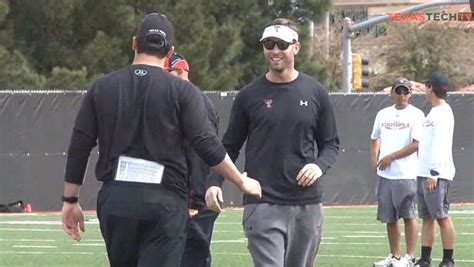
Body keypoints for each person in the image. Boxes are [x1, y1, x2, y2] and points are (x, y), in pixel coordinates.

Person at [60, 13, 261, 267]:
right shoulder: (183, 90)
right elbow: (206, 144)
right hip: (164, 201)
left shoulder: (102, 87)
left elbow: (79, 146)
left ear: (134, 43)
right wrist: (241, 181)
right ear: (170, 51)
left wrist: (70, 200)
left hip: (116, 199)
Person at [205, 18, 339, 267]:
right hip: (262, 202)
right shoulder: (248, 95)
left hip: (306, 205)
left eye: (282, 44)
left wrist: (318, 166)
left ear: (296, 47)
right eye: (269, 44)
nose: (275, 51)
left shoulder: (316, 92)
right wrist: (214, 183)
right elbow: (229, 145)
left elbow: (331, 143)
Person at [164, 52, 221, 267]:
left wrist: (194, 200)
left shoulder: (195, 103)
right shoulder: (178, 100)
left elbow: (201, 154)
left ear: (179, 72)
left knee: (190, 259)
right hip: (180, 196)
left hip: (192, 199)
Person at [370, 78, 425, 267]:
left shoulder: (417, 115)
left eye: (405, 92)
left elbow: (416, 144)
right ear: (391, 93)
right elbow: (374, 138)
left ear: (410, 94)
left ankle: (409, 257)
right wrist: (374, 159)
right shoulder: (382, 114)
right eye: (398, 91)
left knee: (409, 216)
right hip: (385, 175)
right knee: (389, 217)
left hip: (407, 174)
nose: (401, 95)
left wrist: (391, 156)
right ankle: (395, 256)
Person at [414, 72, 456, 267]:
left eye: (426, 85)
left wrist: (434, 172)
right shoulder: (433, 112)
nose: (424, 89)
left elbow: (441, 144)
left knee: (441, 216)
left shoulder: (443, 112)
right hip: (423, 172)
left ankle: (448, 259)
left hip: (435, 174)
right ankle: (425, 258)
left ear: (431, 87)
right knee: (427, 218)